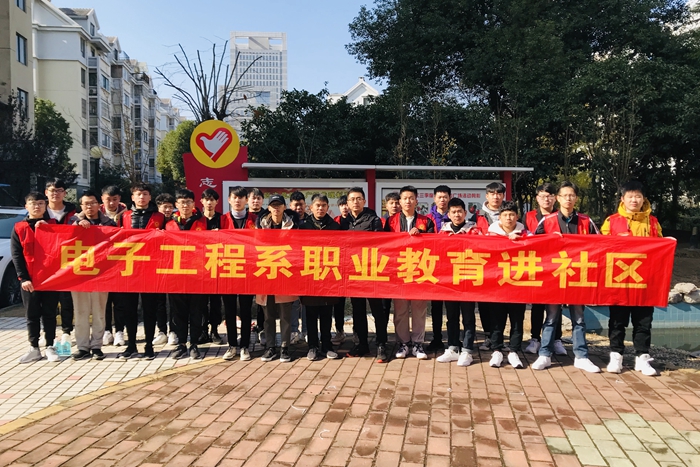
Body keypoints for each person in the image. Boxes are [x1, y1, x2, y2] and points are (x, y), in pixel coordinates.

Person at [533, 181, 601, 373]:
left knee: (578, 319)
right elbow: (533, 245)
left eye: (571, 195)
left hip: (578, 277)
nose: (568, 199)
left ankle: (581, 356)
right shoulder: (547, 221)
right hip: (554, 277)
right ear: (558, 198)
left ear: (576, 198)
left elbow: (601, 244)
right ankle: (544, 354)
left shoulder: (586, 221)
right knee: (551, 318)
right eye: (564, 195)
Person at [601, 180, 662, 376]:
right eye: (630, 196)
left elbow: (661, 248)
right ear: (623, 199)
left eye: (638, 196)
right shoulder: (611, 221)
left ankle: (642, 357)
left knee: (643, 321)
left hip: (644, 281)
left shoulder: (652, 222)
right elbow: (600, 247)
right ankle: (616, 355)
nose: (634, 200)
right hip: (619, 280)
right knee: (617, 320)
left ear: (644, 199)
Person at [115, 183, 167, 360]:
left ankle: (149, 345)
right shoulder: (124, 216)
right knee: (129, 309)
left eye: (145, 194)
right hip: (129, 268)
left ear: (150, 197)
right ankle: (131, 345)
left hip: (151, 268)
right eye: (138, 194)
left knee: (149, 308)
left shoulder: (160, 217)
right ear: (132, 197)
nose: (142, 197)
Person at [384, 185, 436, 360]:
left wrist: (421, 234)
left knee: (419, 308)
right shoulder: (390, 222)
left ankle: (418, 343)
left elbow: (434, 243)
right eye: (405, 198)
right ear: (400, 201)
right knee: (400, 309)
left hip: (420, 270)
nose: (408, 201)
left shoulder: (426, 221)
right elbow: (385, 245)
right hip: (398, 270)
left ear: (416, 201)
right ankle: (403, 343)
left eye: (411, 198)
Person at [339, 187, 389, 362]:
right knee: (358, 310)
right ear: (347, 202)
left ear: (364, 201)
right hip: (353, 272)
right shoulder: (343, 222)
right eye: (352, 199)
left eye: (359, 198)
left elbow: (379, 243)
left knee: (377, 310)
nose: (355, 202)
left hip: (371, 271)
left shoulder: (373, 220)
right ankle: (362, 344)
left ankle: (381, 344)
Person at [69, 191, 116, 360]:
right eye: (86, 204)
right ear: (81, 206)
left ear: (99, 205)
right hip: (79, 274)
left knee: (99, 311)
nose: (90, 207)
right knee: (80, 311)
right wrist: (77, 225)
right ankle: (82, 346)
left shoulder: (109, 223)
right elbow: (63, 240)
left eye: (93, 203)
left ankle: (96, 345)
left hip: (101, 274)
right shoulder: (72, 221)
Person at [14, 193, 60, 363]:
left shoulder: (54, 225)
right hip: (30, 279)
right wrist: (23, 278)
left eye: (41, 203)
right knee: (32, 314)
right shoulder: (19, 227)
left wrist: (49, 230)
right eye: (33, 203)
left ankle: (50, 346)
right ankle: (34, 347)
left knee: (49, 313)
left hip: (50, 279)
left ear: (45, 206)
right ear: (26, 206)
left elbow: (61, 247)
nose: (37, 206)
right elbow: (17, 255)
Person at [523, 183, 566, 356]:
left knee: (557, 304)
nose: (546, 199)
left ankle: (557, 339)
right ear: (537, 198)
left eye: (549, 196)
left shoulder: (561, 215)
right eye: (542, 196)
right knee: (537, 304)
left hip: (557, 265)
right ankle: (535, 338)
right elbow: (525, 237)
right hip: (537, 264)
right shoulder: (529, 216)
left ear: (555, 198)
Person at [436, 198, 480, 366]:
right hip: (450, 281)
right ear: (448, 214)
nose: (457, 215)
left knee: (468, 317)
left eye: (459, 211)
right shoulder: (443, 232)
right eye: (453, 212)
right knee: (451, 316)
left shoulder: (474, 231)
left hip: (468, 280)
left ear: (465, 212)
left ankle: (467, 350)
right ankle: (453, 347)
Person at [166, 189, 209, 360]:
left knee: (196, 311)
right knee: (178, 312)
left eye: (189, 202)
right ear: (176, 204)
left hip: (198, 274)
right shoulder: (169, 224)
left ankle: (194, 344)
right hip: (176, 275)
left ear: (194, 204)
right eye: (182, 202)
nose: (185, 205)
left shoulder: (203, 222)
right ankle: (182, 343)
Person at [256, 194, 299, 362]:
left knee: (285, 315)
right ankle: (270, 347)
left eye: (279, 205)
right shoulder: (260, 226)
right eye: (273, 205)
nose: (276, 208)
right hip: (265, 274)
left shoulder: (293, 226)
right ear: (268, 208)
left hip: (285, 274)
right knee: (268, 316)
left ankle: (285, 348)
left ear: (284, 207)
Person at [299, 194, 341, 360]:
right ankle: (312, 346)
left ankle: (327, 346)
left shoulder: (335, 227)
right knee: (310, 314)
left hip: (329, 275)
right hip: (309, 275)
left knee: (326, 313)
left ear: (327, 207)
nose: (320, 208)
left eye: (323, 205)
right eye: (317, 205)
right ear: (311, 207)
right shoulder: (303, 226)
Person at [486, 201, 527, 369]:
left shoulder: (526, 234)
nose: (508, 218)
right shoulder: (490, 235)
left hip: (518, 284)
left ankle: (514, 351)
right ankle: (496, 350)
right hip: (497, 285)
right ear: (500, 218)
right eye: (505, 215)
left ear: (517, 217)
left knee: (517, 320)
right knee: (497, 320)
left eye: (511, 215)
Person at [220, 186, 257, 361]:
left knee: (246, 310)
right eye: (234, 197)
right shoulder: (221, 220)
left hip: (248, 271)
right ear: (229, 200)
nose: (238, 200)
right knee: (229, 310)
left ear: (246, 201)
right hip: (227, 270)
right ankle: (232, 345)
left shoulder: (255, 220)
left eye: (241, 198)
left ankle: (245, 346)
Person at [44, 179, 76, 345]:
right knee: (47, 302)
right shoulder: (40, 211)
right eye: (52, 190)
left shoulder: (73, 212)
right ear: (46, 193)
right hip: (46, 263)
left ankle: (66, 332)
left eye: (59, 190)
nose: (55, 194)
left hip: (68, 262)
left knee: (66, 300)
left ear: (65, 193)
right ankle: (47, 334)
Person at [476, 182, 506, 351]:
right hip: (484, 265)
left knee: (502, 302)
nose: (496, 197)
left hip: (504, 265)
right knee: (484, 303)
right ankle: (488, 336)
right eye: (492, 194)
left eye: (499, 194)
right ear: (486, 196)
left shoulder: (509, 213)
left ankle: (499, 337)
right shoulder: (477, 217)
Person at [100, 185, 128, 347]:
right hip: (102, 263)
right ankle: (106, 330)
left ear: (119, 199)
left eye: (114, 199)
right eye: (108, 199)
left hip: (122, 262)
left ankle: (119, 331)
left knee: (120, 300)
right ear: (102, 199)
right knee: (104, 300)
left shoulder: (127, 215)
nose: (111, 203)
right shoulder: (96, 214)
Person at [426, 185, 452, 352]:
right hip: (434, 266)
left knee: (452, 306)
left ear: (450, 198)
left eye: (445, 197)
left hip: (452, 266)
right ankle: (437, 338)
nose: (442, 200)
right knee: (436, 306)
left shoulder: (456, 215)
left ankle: (453, 338)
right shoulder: (427, 219)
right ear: (434, 198)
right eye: (439, 197)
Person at [200, 188, 223, 345]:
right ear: (201, 201)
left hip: (217, 264)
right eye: (206, 199)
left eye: (212, 200)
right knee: (201, 301)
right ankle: (202, 330)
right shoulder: (196, 219)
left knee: (215, 300)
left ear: (217, 202)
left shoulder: (222, 219)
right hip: (199, 266)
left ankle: (215, 330)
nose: (209, 202)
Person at [155, 193, 177, 346]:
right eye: (165, 207)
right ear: (158, 207)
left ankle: (173, 331)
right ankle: (161, 331)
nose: (168, 210)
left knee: (174, 301)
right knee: (159, 302)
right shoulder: (153, 222)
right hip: (157, 266)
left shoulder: (175, 222)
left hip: (174, 265)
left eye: (170, 207)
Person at [289, 191, 308, 344]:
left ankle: (306, 331)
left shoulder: (310, 221)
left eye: (301, 204)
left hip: (307, 265)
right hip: (291, 266)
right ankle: (294, 331)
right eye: (295, 205)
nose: (298, 208)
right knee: (294, 301)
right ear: (290, 205)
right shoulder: (286, 222)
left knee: (306, 301)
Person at [331, 195, 350, 346]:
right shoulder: (335, 222)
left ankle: (358, 331)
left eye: (346, 204)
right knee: (338, 302)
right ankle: (339, 330)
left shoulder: (357, 221)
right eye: (342, 205)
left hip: (356, 265)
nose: (345, 207)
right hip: (339, 267)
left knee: (358, 301)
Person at [381, 192, 401, 321]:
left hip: (402, 263)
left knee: (401, 302)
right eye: (391, 203)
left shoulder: (406, 221)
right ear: (386, 205)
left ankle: (401, 331)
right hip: (386, 265)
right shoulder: (380, 222)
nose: (394, 205)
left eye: (397, 203)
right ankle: (382, 330)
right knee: (384, 303)